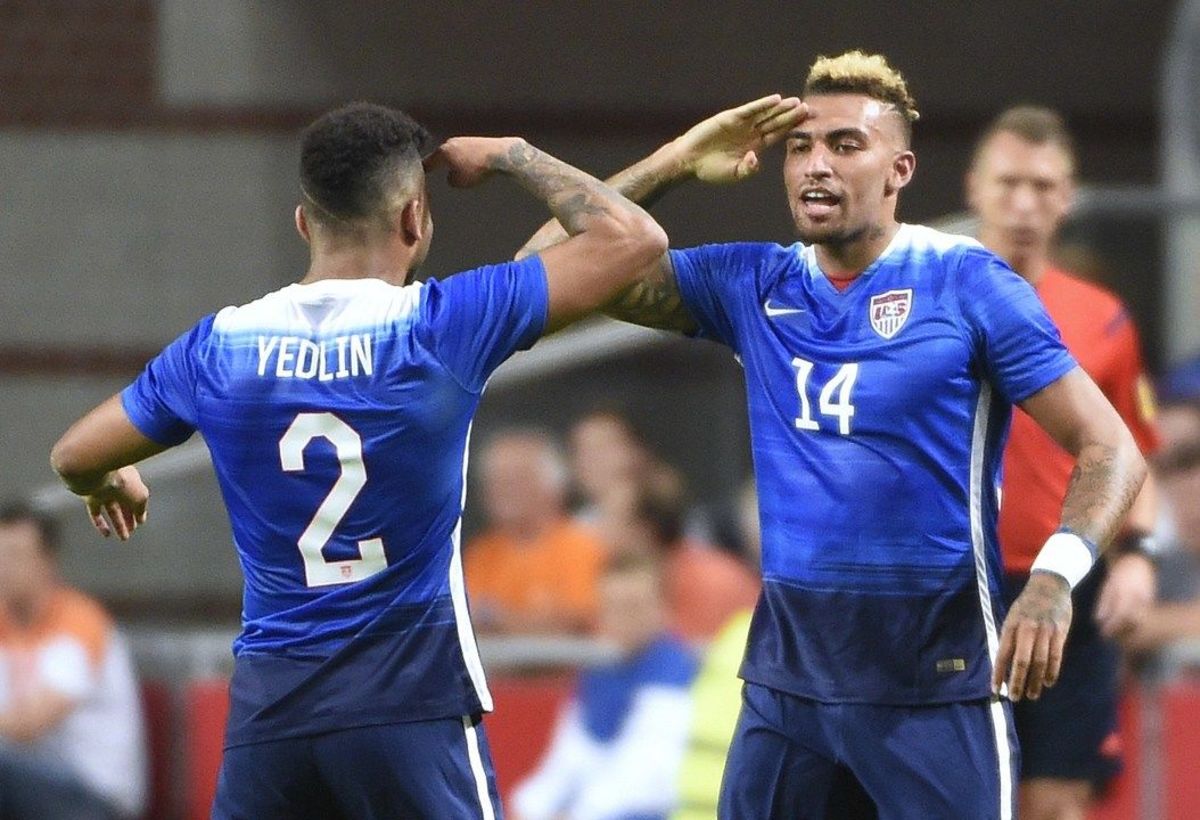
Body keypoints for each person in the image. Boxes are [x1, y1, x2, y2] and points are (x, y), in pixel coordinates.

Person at [519, 53, 1147, 818]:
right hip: (790, 697)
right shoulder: (753, 284)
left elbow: (1110, 446)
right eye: (800, 146)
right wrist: (678, 158)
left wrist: (1052, 580)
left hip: (935, 687)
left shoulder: (967, 284)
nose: (817, 165)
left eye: (846, 145)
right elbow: (542, 267)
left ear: (899, 169)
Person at [47, 100, 695, 818]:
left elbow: (74, 452)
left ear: (303, 222)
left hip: (274, 713)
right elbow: (630, 238)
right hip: (409, 702)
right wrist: (514, 152)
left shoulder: (217, 347)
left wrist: (108, 478)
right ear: (414, 218)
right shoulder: (440, 325)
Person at [966, 105, 1162, 820]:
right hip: (957, 585)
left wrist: (1138, 553)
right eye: (1010, 183)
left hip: (1065, 580)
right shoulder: (924, 295)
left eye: (1044, 187)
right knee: (954, 794)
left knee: (1054, 801)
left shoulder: (1102, 317)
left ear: (1069, 197)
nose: (1025, 204)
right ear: (976, 187)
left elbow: (1132, 450)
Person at [511, 554, 698, 820]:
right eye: (612, 606)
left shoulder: (674, 671)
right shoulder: (598, 671)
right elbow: (568, 758)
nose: (623, 618)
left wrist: (576, 815)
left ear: (664, 607)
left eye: (633, 606)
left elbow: (648, 774)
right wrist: (531, 808)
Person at [0, 502, 146, 820]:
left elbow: (28, 725)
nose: (3, 567)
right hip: (28, 787)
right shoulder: (5, 621)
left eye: (14, 556)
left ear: (47, 562)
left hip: (96, 798)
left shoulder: (80, 623)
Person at [465, 429, 607, 635]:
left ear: (553, 484)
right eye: (494, 480)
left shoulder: (581, 545)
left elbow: (578, 621)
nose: (502, 489)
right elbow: (465, 622)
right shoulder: (480, 554)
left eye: (517, 479)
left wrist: (501, 620)